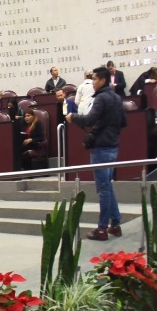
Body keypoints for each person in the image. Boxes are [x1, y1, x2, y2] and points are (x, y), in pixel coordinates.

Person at [67, 66, 126, 240]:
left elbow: (89, 119)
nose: (92, 82)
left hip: (101, 148)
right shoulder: (116, 97)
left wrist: (73, 117)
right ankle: (115, 224)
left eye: (94, 79)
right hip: (113, 146)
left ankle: (102, 229)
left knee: (103, 189)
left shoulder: (101, 98)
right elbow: (123, 121)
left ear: (102, 80)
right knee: (107, 185)